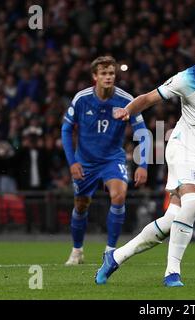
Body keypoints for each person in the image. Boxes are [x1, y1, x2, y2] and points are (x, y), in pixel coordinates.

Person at [95, 29, 195, 287]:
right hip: (183, 146)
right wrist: (127, 110)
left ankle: (115, 257)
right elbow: (149, 98)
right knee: (194, 202)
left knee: (173, 220)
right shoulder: (189, 78)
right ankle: (172, 273)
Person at [61, 56, 150, 265]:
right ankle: (77, 251)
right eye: (104, 73)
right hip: (85, 162)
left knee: (119, 195)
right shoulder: (82, 99)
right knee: (81, 205)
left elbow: (143, 133)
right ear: (95, 76)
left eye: (111, 73)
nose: (108, 77)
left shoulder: (126, 100)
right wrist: (72, 162)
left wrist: (143, 164)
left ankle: (110, 252)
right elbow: (66, 129)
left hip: (112, 159)